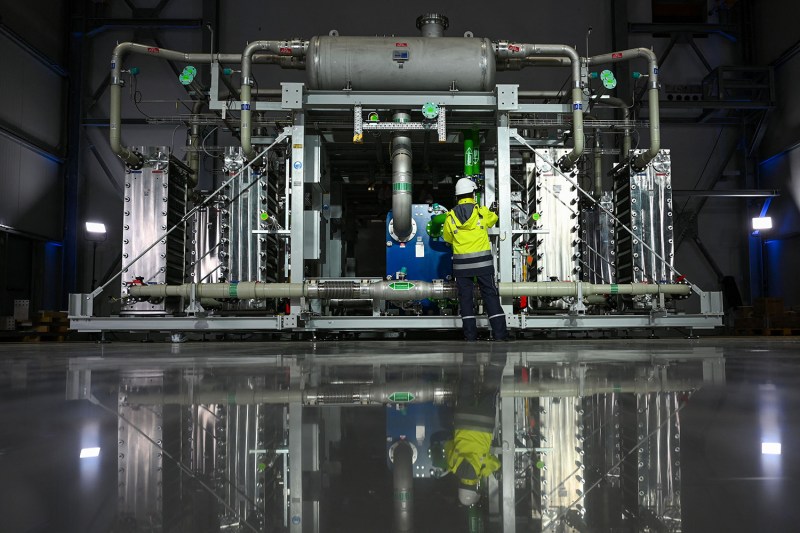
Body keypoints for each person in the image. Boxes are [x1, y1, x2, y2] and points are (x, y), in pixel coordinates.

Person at [443, 177, 508, 341]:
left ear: (457, 196)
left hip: (461, 267)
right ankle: (500, 335)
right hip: (483, 264)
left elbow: (448, 239)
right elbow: (493, 219)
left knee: (465, 298)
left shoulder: (450, 218)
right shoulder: (481, 212)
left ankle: (470, 336)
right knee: (490, 295)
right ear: (473, 193)